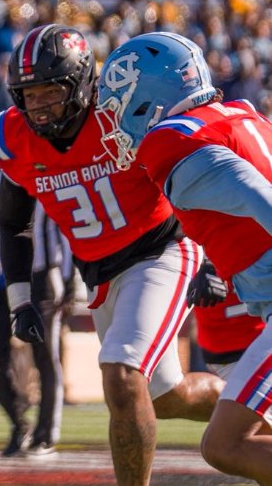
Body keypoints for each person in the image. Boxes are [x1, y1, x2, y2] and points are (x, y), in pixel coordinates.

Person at [0, 25, 223, 485]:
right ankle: (250, 408)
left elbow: (193, 178)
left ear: (81, 84)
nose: (38, 106)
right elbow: (13, 222)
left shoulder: (122, 115)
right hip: (100, 274)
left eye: (50, 92)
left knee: (121, 372)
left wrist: (212, 257)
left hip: (161, 250)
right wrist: (19, 299)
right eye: (29, 95)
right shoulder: (14, 136)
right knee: (163, 396)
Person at [95, 32, 272, 484]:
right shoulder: (242, 115)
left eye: (119, 105)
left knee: (227, 445)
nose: (115, 121)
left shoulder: (171, 141)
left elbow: (258, 195)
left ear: (148, 96)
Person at [0, 175, 69, 458]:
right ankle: (18, 421)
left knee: (46, 356)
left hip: (43, 279)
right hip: (5, 280)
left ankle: (46, 433)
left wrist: (68, 279)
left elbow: (66, 228)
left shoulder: (50, 178)